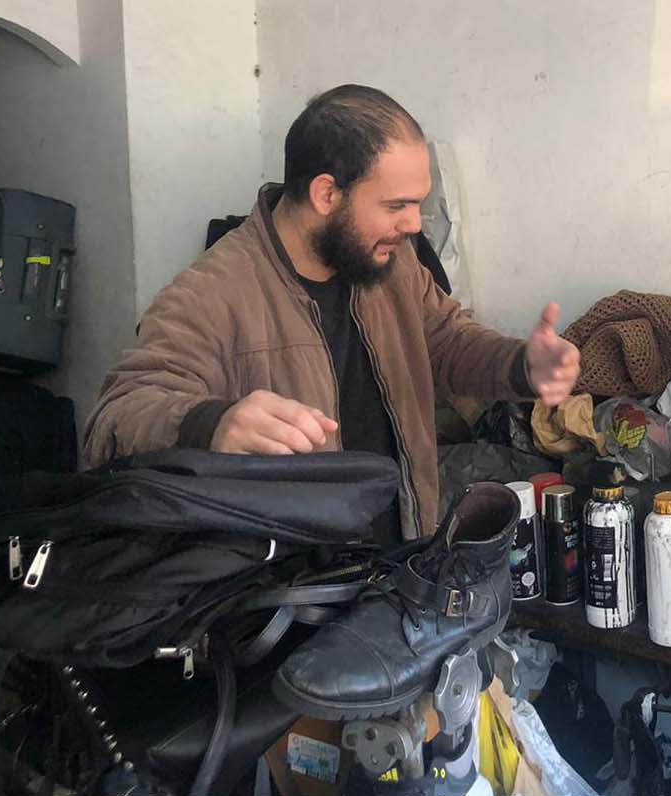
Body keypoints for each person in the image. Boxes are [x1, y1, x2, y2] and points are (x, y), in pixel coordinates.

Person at [82, 84, 579, 542]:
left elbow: (448, 342)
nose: (413, 224)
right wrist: (210, 423)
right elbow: (116, 416)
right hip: (289, 589)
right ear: (326, 194)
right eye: (396, 205)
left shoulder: (391, 263)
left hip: (400, 559)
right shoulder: (211, 293)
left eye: (418, 205)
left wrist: (523, 365)